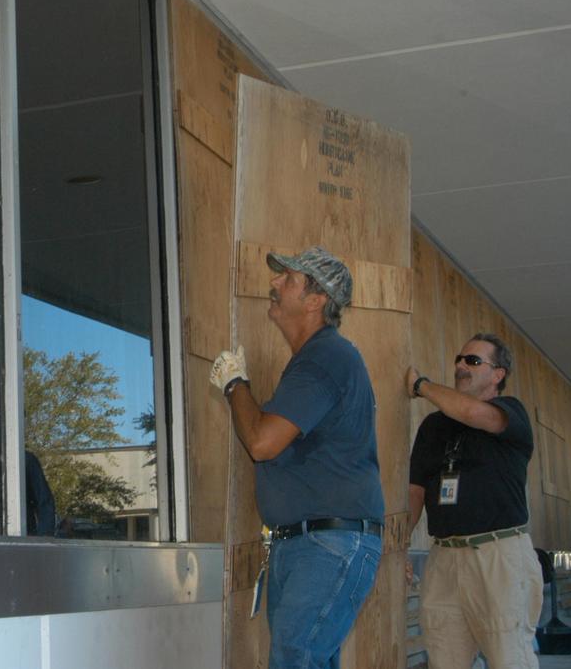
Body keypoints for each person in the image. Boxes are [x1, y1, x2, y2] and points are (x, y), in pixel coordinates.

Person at [210, 245, 383, 669]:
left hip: (329, 544)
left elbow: (263, 442)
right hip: (310, 543)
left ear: (316, 299)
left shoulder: (326, 357)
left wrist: (235, 385)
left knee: (296, 658)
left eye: (287, 278)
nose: (273, 283)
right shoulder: (317, 360)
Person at [406, 334, 540, 669]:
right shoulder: (433, 427)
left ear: (498, 374)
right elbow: (415, 492)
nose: (461, 366)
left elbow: (471, 412)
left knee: (510, 660)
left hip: (499, 556)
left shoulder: (510, 413)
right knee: (443, 658)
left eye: (473, 361)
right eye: (459, 359)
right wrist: (397, 549)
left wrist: (421, 385)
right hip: (444, 558)